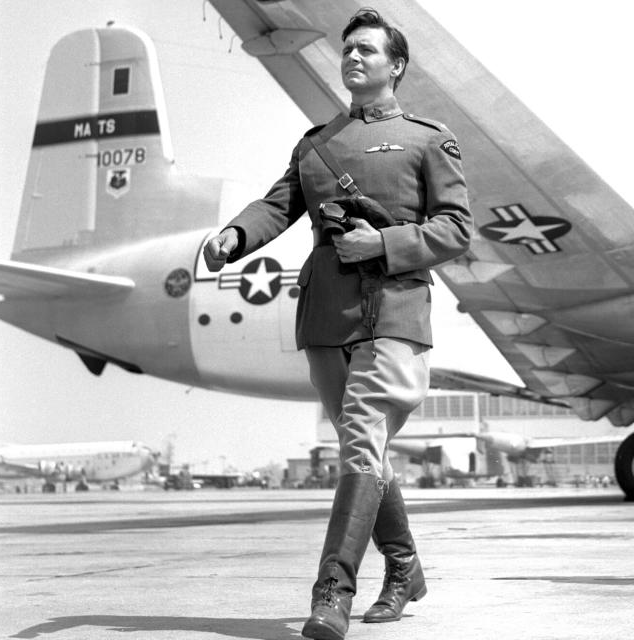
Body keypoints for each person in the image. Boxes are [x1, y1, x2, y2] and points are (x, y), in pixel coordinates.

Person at [203, 9, 473, 639]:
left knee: (359, 441)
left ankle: (333, 592)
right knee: (365, 449)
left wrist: (381, 245)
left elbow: (457, 228)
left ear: (396, 65)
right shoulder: (316, 142)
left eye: (368, 51)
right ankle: (404, 567)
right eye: (348, 49)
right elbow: (279, 203)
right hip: (325, 314)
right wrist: (235, 235)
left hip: (396, 310)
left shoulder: (428, 138)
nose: (353, 57)